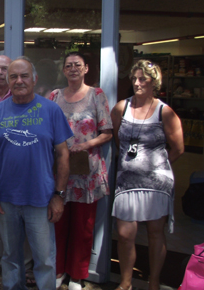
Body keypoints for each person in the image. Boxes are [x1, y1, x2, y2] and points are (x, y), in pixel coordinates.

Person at [0, 56, 73, 290]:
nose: (19, 81)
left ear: (34, 79)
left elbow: (63, 155)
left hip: (41, 198)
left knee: (45, 260)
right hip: (6, 200)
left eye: (24, 76)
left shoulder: (51, 110)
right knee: (10, 258)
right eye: (13, 77)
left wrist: (59, 195)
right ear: (8, 81)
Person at [110, 59, 184, 290]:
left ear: (154, 83)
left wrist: (157, 168)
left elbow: (178, 148)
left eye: (143, 79)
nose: (137, 83)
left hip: (156, 185)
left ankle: (153, 282)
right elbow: (118, 139)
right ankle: (126, 282)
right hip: (127, 182)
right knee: (124, 234)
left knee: (154, 233)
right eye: (134, 79)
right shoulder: (121, 108)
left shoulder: (165, 112)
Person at [49, 52, 113, 290]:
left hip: (87, 172)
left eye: (78, 65)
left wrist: (85, 145)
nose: (73, 69)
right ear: (63, 70)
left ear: (86, 68)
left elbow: (107, 132)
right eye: (68, 65)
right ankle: (57, 271)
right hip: (60, 170)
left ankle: (77, 274)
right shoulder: (55, 96)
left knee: (83, 226)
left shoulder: (97, 95)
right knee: (57, 221)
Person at [0, 55, 35, 286]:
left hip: (20, 167)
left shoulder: (23, 96)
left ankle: (27, 264)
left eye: (6, 69)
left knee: (25, 220)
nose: (2, 73)